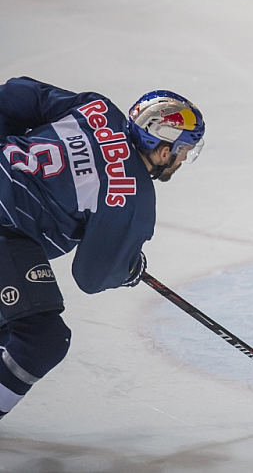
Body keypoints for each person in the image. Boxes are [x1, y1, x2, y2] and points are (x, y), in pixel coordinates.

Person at [0, 76, 205, 420]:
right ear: (165, 149)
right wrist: (127, 268)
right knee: (40, 341)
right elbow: (92, 275)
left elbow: (15, 93)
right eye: (184, 150)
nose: (182, 160)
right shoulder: (133, 199)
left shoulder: (97, 110)